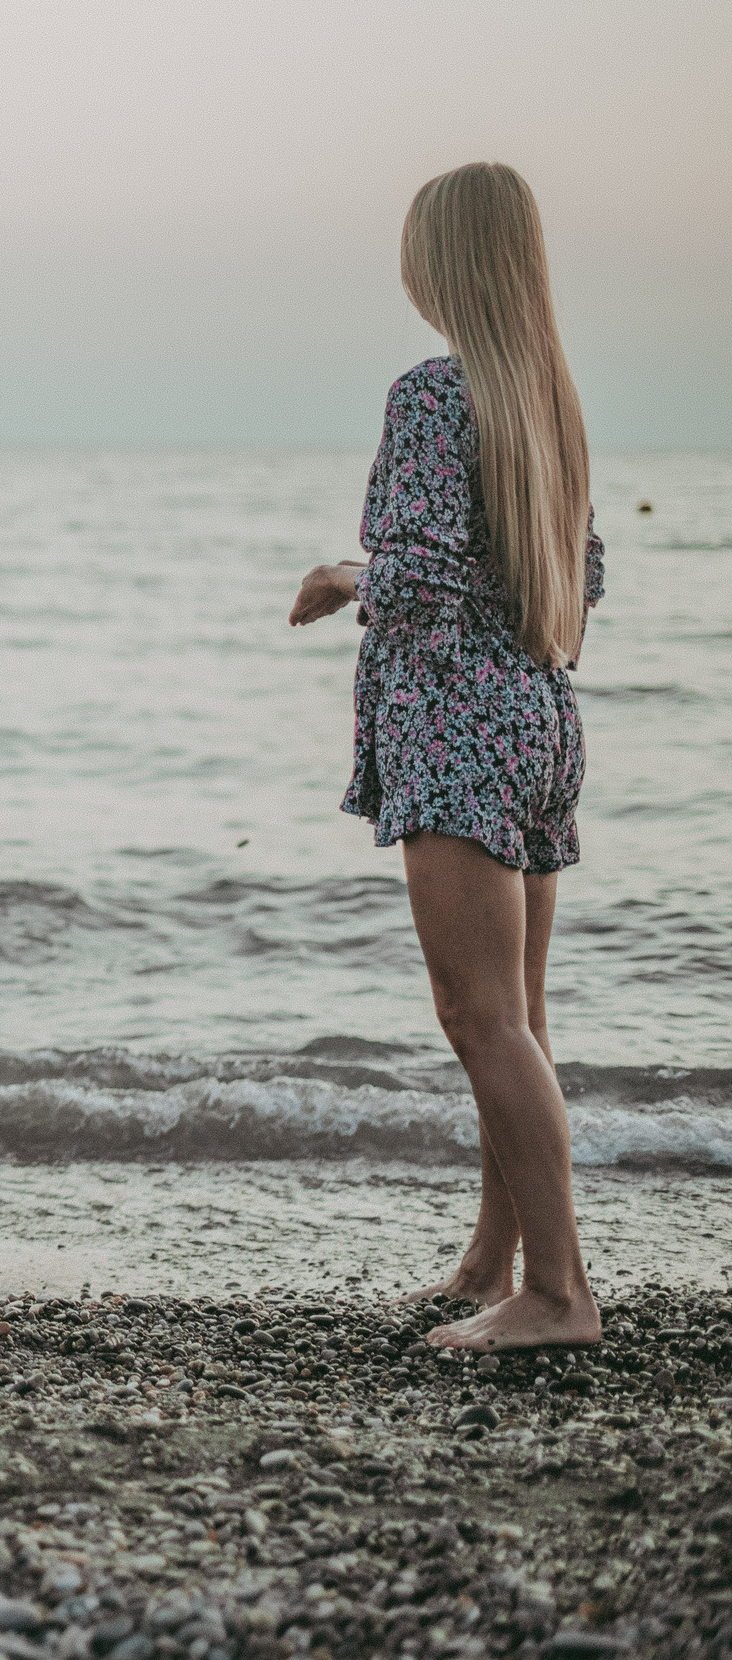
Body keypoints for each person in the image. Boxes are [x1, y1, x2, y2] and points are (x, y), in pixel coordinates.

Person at [288, 163, 604, 1351]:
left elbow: (417, 581)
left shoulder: (431, 393)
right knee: (514, 1012)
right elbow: (581, 579)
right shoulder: (544, 403)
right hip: (537, 720)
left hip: (456, 729)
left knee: (478, 1016)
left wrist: (345, 574)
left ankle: (559, 1295)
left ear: (442, 263)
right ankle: (493, 1261)